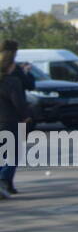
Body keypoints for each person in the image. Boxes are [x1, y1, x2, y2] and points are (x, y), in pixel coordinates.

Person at [0, 40, 33, 199]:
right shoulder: (13, 81)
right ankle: (4, 180)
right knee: (12, 153)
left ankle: (5, 182)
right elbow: (18, 102)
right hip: (9, 120)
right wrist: (25, 116)